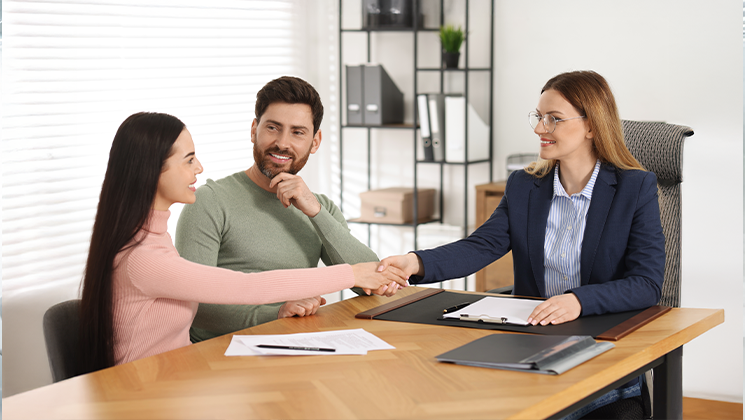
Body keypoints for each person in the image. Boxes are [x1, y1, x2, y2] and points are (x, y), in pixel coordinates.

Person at [378, 70, 665, 418]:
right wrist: (415, 263)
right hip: (534, 343)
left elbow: (646, 284)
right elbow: (481, 246)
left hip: (601, 343)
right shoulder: (525, 186)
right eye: (538, 116)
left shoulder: (635, 188)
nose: (539, 128)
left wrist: (577, 301)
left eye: (553, 119)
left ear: (591, 126)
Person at [79, 112, 407, 373]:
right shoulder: (141, 257)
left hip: (181, 378)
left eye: (298, 131)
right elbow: (246, 288)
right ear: (151, 169)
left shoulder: (151, 235)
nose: (200, 168)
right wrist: (352, 273)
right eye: (189, 160)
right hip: (143, 397)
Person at [175, 76, 397, 343]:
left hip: (292, 345)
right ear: (254, 129)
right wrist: (275, 313)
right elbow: (194, 306)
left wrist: (314, 211)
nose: (282, 142)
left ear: (315, 142)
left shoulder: (320, 207)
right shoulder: (209, 202)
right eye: (272, 127)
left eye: (297, 132)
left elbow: (370, 282)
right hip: (218, 353)